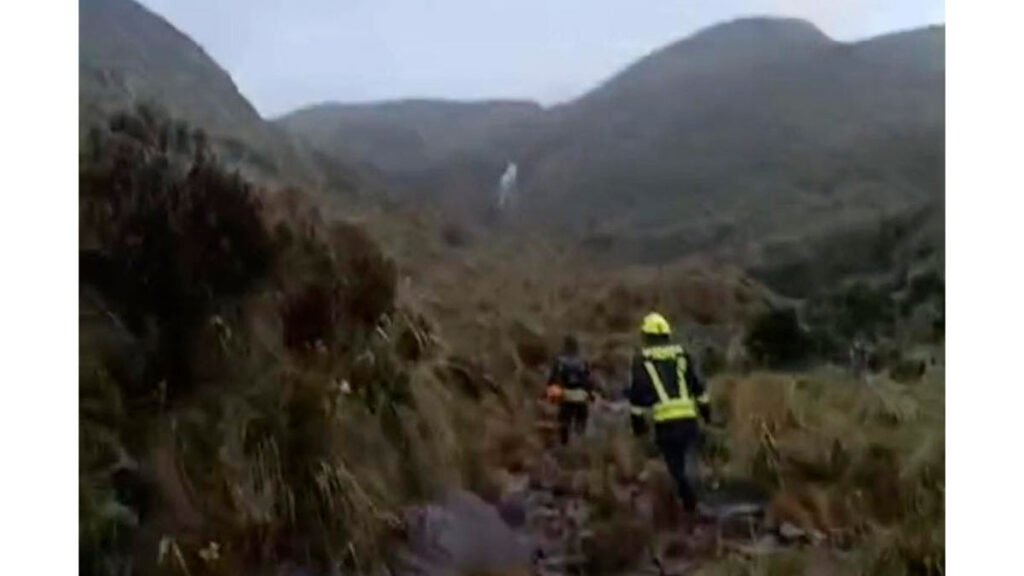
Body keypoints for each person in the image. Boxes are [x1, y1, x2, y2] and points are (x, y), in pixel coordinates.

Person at [628, 312, 711, 521]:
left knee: (675, 468)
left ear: (646, 336)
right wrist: (707, 413)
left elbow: (638, 397)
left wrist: (638, 427)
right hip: (688, 419)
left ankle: (689, 507)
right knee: (690, 462)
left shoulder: (642, 360)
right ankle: (697, 504)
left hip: (665, 424)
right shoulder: (682, 355)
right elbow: (697, 387)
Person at [547, 334, 594, 445]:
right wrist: (590, 393)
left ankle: (565, 444)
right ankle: (580, 444)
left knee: (564, 423)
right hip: (580, 395)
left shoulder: (560, 361)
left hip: (565, 394)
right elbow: (589, 379)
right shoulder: (582, 361)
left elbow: (553, 379)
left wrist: (550, 393)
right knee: (581, 422)